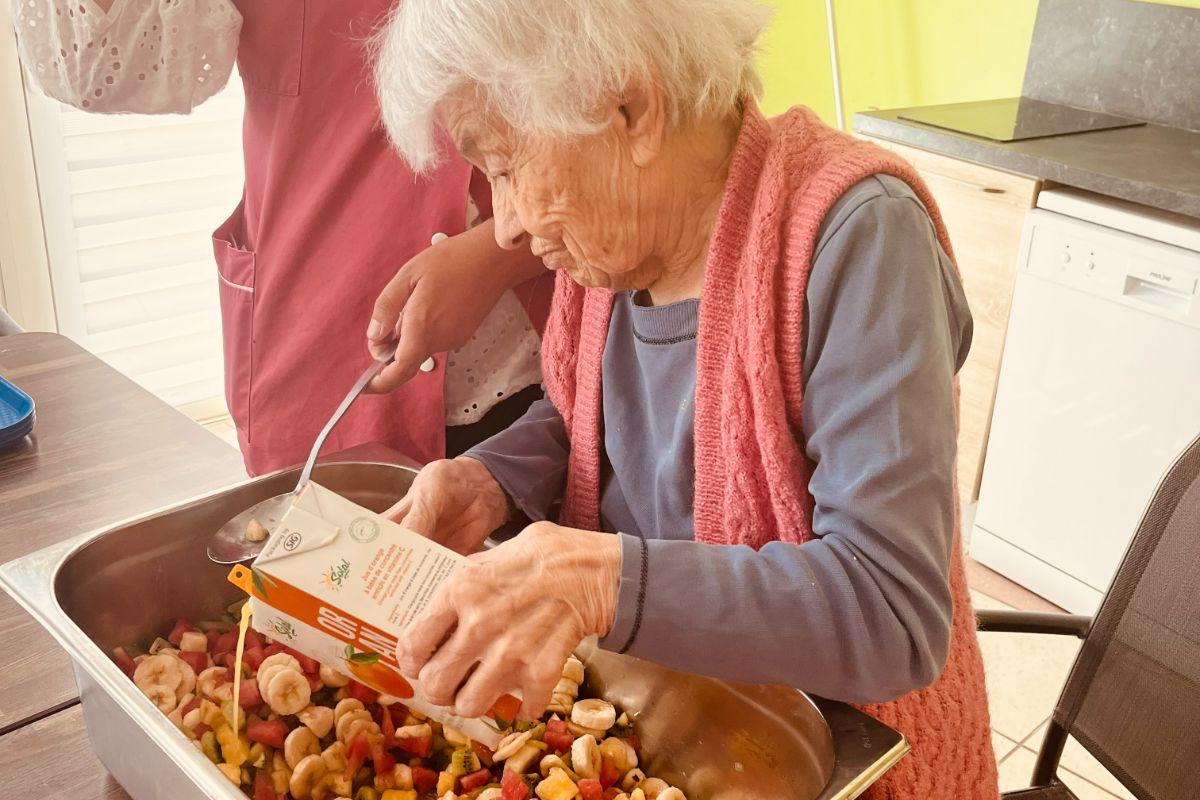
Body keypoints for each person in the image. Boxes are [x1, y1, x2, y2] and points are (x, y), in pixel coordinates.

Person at [373, 1, 999, 797]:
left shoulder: (860, 238)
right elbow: (583, 417)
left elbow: (892, 615)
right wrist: (489, 480)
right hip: (678, 733)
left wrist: (599, 580)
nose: (503, 228)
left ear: (629, 108)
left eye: (504, 166)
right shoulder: (610, 244)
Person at [11, 0, 552, 474]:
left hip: (538, 335)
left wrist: (496, 259)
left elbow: (620, 94)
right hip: (322, 337)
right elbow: (97, 62)